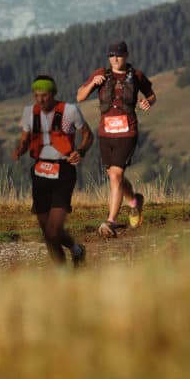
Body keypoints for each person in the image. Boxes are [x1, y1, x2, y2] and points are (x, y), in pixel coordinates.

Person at [77, 41, 156, 238]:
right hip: (105, 134)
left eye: (119, 55)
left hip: (127, 132)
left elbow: (152, 95)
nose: (115, 59)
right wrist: (92, 85)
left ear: (126, 55)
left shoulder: (136, 76)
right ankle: (134, 202)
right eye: (111, 55)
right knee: (114, 175)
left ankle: (111, 221)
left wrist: (148, 102)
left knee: (115, 176)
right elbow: (79, 96)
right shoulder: (101, 74)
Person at [12, 75, 93, 267]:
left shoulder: (70, 111)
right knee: (46, 230)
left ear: (53, 94)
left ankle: (74, 253)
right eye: (36, 95)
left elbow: (88, 136)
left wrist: (80, 151)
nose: (40, 100)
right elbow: (25, 139)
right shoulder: (29, 113)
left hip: (63, 172)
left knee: (53, 230)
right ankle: (65, 268)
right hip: (40, 172)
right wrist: (20, 150)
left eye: (45, 95)